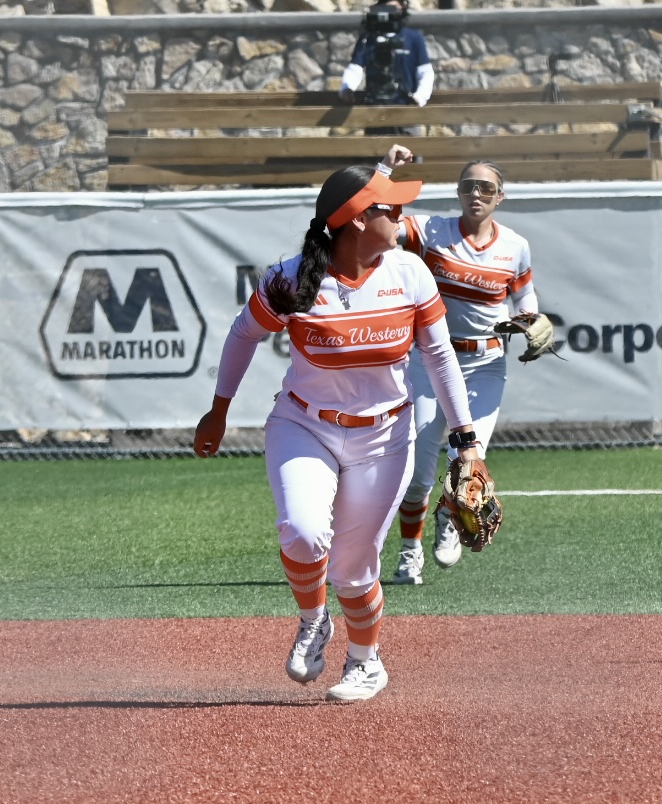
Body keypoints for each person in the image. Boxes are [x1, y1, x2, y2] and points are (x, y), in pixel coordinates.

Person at [192, 164, 486, 702]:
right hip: (304, 424)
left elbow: (440, 356)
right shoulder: (292, 276)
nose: (400, 215)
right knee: (302, 532)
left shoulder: (410, 273)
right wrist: (219, 409)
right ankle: (313, 621)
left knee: (354, 570)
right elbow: (243, 334)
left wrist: (466, 437)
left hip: (385, 435)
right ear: (354, 221)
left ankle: (365, 663)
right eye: (388, 208)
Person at [379, 144, 543, 586]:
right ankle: (410, 550)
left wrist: (532, 319)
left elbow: (524, 297)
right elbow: (381, 223)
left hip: (485, 362)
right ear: (457, 192)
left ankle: (449, 518)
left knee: (469, 462)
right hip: (431, 359)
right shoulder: (431, 230)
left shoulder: (515, 246)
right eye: (469, 185)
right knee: (416, 472)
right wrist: (386, 172)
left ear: (500, 197)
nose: (477, 193)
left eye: (486, 188)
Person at [339, 0, 434, 110]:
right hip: (374, 109)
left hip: (406, 107)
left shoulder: (413, 37)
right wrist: (347, 89)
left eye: (394, 8)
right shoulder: (368, 38)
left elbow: (425, 71)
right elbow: (355, 68)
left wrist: (419, 97)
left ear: (402, 9)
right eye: (386, 7)